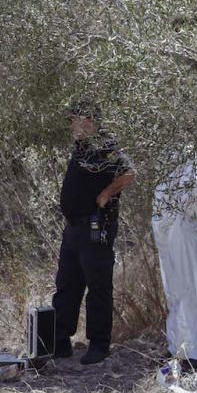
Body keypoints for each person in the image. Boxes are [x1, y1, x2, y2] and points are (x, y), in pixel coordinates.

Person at [52, 99, 135, 365]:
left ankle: (99, 345)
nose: (71, 126)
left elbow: (129, 172)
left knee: (98, 287)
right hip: (74, 227)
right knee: (67, 284)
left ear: (88, 121)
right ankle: (60, 340)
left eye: (75, 120)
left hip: (95, 227)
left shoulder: (103, 146)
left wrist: (105, 194)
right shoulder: (82, 148)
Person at [151, 149, 197, 372]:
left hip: (186, 232)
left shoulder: (194, 159)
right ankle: (179, 348)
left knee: (193, 290)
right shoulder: (167, 157)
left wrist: (180, 212)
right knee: (175, 291)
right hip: (171, 234)